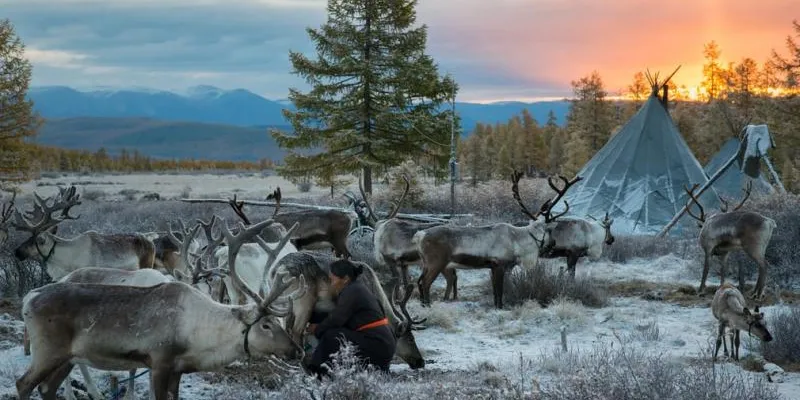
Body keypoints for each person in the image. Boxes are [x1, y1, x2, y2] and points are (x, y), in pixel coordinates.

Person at [303, 259, 397, 378]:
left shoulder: (352, 291)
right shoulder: (357, 289)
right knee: (335, 333)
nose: (331, 284)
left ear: (345, 279)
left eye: (332, 280)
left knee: (331, 336)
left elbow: (337, 319)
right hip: (383, 344)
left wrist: (317, 329)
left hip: (377, 344)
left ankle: (315, 373)